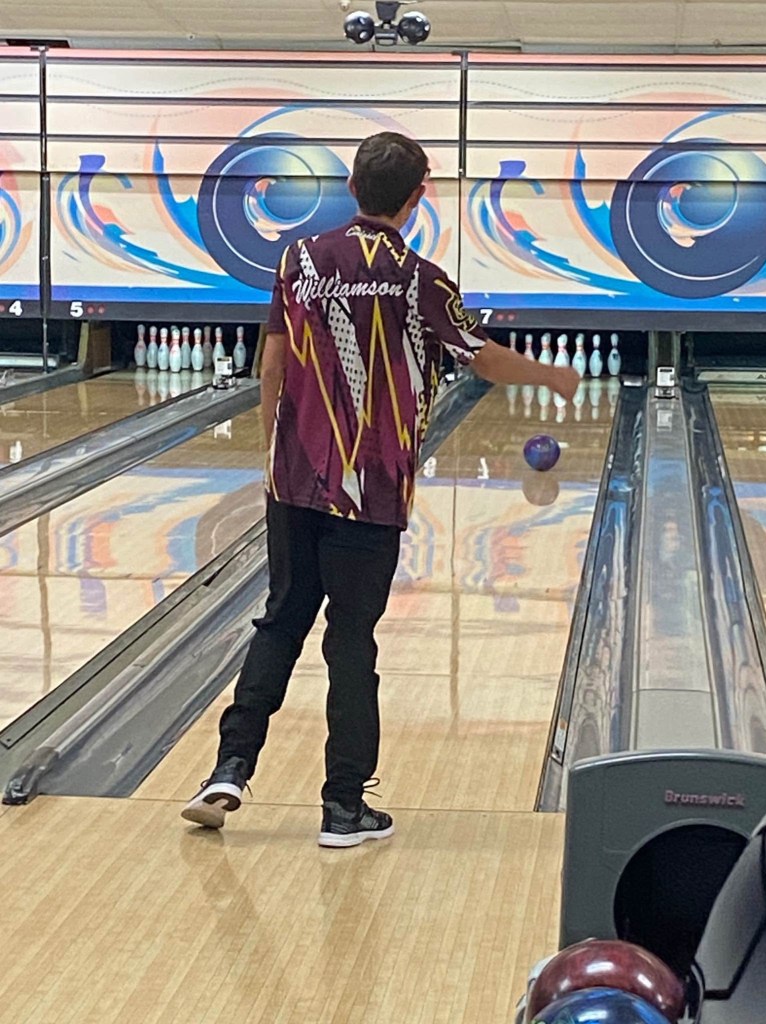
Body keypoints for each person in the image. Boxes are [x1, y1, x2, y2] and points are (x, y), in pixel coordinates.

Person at [182, 132, 579, 846]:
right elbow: (481, 360)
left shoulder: (299, 259)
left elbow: (271, 366)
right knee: (351, 642)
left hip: (295, 480)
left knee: (281, 620)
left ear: (351, 187)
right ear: (418, 196)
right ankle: (342, 808)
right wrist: (551, 374)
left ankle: (229, 768)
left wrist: (275, 459)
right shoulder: (419, 277)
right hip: (371, 492)